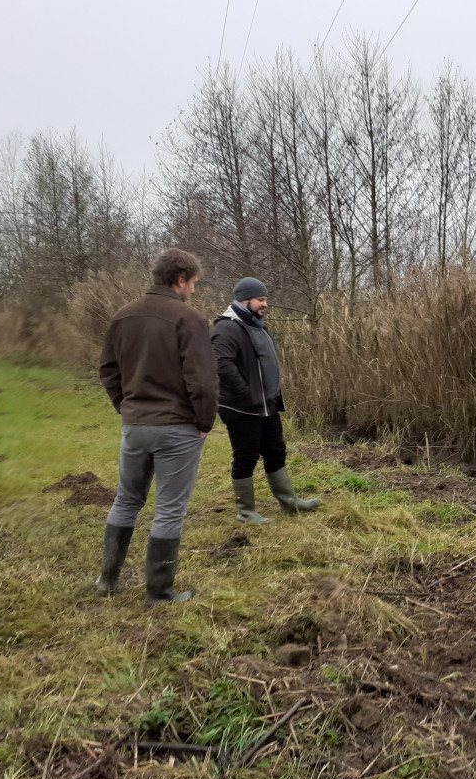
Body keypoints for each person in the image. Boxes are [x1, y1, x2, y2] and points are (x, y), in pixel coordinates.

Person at [98, 249, 218, 604]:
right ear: (181, 279)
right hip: (177, 427)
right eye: (193, 283)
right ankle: (159, 592)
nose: (194, 291)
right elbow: (203, 381)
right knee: (169, 509)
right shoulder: (189, 319)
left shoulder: (122, 316)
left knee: (126, 501)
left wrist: (128, 408)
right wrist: (204, 422)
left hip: (135, 425)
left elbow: (108, 370)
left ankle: (107, 580)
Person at [212, 277, 320, 523]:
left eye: (265, 299)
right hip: (242, 407)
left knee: (275, 451)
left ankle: (289, 503)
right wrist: (246, 393)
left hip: (266, 404)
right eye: (260, 299)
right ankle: (247, 512)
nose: (265, 304)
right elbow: (221, 364)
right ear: (244, 299)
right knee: (246, 456)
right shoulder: (227, 327)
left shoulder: (255, 323)